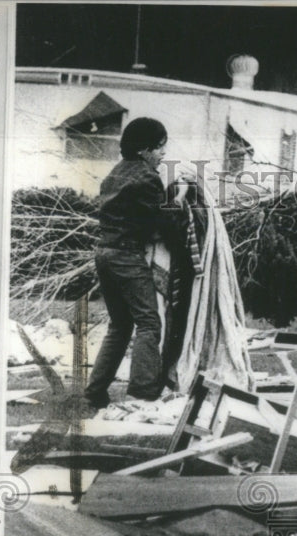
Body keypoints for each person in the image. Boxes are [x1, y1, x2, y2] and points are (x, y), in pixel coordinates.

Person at [83, 117, 185, 409]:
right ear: (144, 150)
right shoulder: (147, 177)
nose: (163, 154)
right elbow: (164, 223)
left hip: (104, 253)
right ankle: (141, 392)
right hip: (127, 256)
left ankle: (95, 391)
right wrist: (180, 199)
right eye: (160, 148)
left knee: (120, 325)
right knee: (149, 323)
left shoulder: (114, 174)